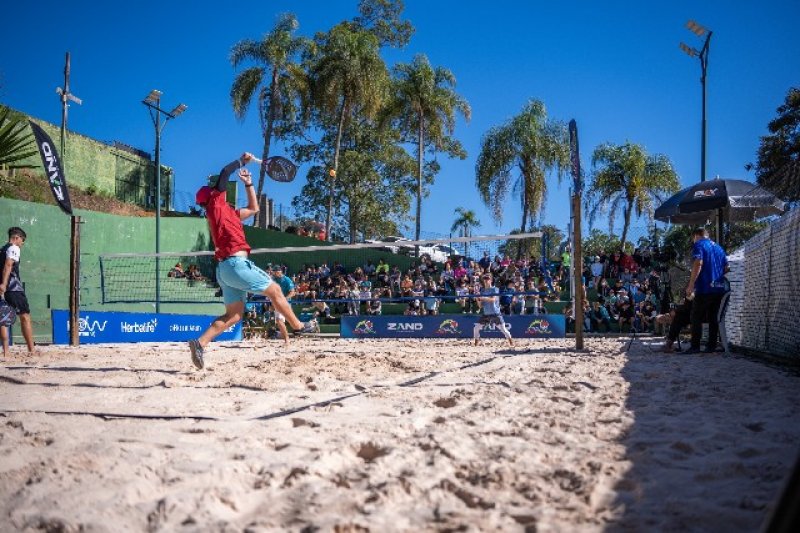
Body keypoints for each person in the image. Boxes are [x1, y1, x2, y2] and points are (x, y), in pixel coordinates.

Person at [189, 153, 317, 369]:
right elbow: (224, 173)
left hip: (224, 270)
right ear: (212, 196)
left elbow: (254, 209)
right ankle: (298, 326)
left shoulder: (227, 212)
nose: (219, 189)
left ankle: (200, 343)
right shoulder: (216, 205)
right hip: (235, 264)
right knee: (275, 290)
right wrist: (241, 161)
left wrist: (248, 184)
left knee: (234, 315)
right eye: (215, 190)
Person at [685, 227, 728, 354]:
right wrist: (716, 274)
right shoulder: (719, 248)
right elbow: (727, 268)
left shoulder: (699, 244)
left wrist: (691, 284)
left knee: (695, 316)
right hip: (719, 288)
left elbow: (698, 263)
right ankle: (711, 346)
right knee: (713, 317)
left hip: (705, 287)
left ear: (696, 236)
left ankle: (695, 346)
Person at [0, 227, 35, 356]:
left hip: (4, 289)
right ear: (16, 238)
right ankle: (32, 350)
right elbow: (8, 265)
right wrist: (4, 284)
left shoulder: (2, 249)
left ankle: (6, 351)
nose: (22, 243)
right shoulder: (14, 248)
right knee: (25, 316)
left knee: (3, 318)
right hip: (13, 288)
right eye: (22, 240)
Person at [473, 274, 514, 347]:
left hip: (495, 313)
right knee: (476, 328)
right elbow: (481, 305)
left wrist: (482, 298)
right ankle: (476, 342)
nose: (486, 280)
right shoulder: (482, 290)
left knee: (503, 330)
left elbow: (493, 300)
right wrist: (477, 299)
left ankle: (511, 341)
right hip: (486, 314)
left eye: (487, 278)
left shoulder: (495, 289)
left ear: (491, 280)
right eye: (484, 278)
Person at [270, 267, 296, 345]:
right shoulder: (273, 279)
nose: (274, 273)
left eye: (276, 272)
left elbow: (292, 292)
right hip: (277, 303)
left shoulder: (287, 280)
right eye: (274, 272)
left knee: (292, 323)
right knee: (279, 320)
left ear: (280, 272)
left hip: (285, 303)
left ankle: (306, 327)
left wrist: (284, 299)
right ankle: (286, 340)